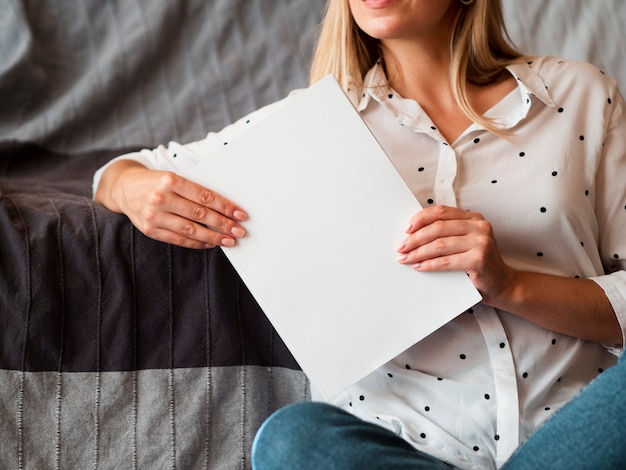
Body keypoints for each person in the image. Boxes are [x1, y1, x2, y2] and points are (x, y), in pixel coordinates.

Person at [93, 0, 626, 468]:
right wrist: (131, 188)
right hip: (414, 452)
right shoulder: (307, 130)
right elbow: (125, 171)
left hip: (577, 435)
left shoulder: (580, 96)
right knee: (293, 440)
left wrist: (510, 284)